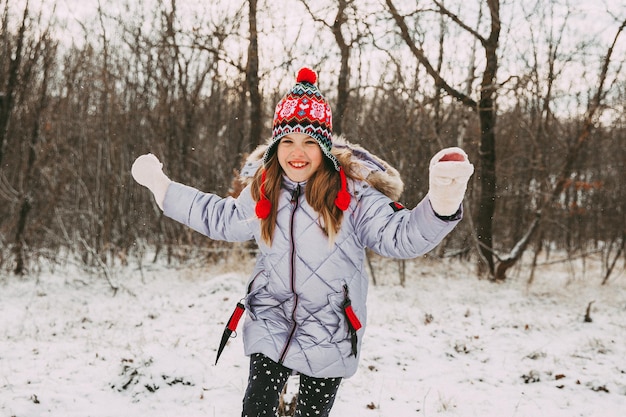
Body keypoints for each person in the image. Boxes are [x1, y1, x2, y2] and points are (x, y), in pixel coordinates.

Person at [131, 67, 474, 417]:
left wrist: (442, 202)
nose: (298, 152)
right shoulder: (264, 189)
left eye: (310, 141)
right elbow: (220, 217)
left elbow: (400, 237)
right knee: (256, 408)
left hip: (331, 328)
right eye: (288, 141)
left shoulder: (352, 195)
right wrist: (163, 188)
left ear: (324, 146)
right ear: (276, 145)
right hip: (271, 316)